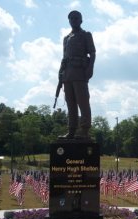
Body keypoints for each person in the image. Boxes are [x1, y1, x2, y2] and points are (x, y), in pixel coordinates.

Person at [58, 10, 96, 139]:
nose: (74, 20)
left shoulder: (86, 35)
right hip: (67, 74)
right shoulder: (66, 38)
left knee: (83, 102)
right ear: (69, 21)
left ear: (81, 20)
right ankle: (72, 130)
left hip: (80, 72)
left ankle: (84, 129)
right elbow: (64, 58)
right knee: (70, 103)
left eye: (76, 18)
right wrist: (60, 73)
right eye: (71, 18)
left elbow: (92, 53)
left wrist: (90, 68)